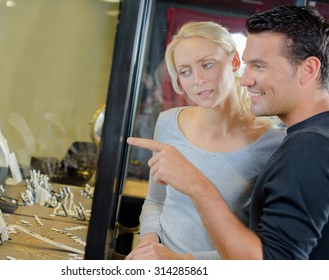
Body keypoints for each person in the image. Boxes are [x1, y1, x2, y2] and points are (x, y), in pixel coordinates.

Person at [127, 5, 329, 259]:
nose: (246, 79)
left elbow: (266, 261)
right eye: (185, 71)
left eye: (260, 66)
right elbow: (156, 201)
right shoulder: (168, 122)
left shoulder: (301, 146)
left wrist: (181, 261)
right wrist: (149, 246)